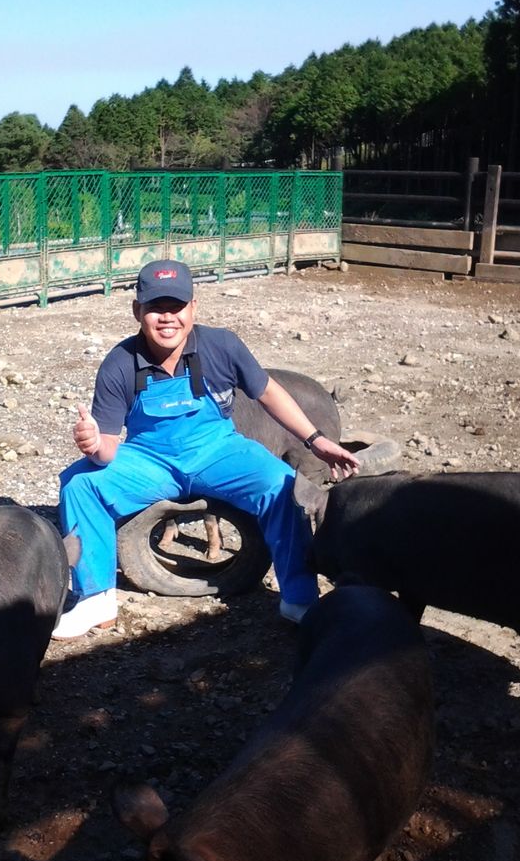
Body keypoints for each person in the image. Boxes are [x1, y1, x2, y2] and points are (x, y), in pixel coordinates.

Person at [52, 260, 359, 639]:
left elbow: (268, 392)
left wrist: (318, 440)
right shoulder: (120, 363)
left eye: (177, 306)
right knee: (80, 485)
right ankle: (95, 599)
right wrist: (95, 444)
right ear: (137, 311)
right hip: (151, 460)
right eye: (156, 308)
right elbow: (109, 450)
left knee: (283, 486)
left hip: (218, 452)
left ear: (193, 308)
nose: (168, 317)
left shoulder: (222, 346)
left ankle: (299, 599)